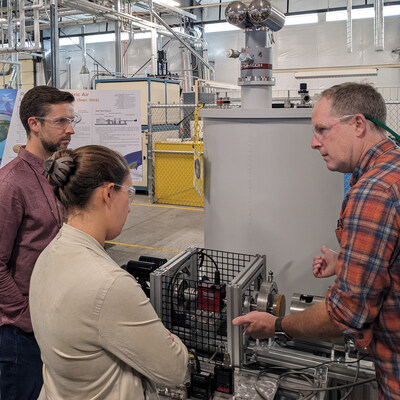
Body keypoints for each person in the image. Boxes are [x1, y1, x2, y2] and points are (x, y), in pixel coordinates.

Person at [232, 82, 400, 399]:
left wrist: (278, 324)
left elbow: (345, 316)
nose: (313, 142)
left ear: (359, 124)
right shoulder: (393, 167)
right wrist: (349, 263)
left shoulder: (372, 192)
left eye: (323, 129)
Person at [29, 145, 188, 400]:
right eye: (130, 193)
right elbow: (175, 369)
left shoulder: (47, 256)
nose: (129, 207)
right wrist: (166, 338)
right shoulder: (110, 284)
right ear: (108, 193)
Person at [0, 85, 78, 400]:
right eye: (61, 121)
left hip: (51, 321)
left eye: (72, 120)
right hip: (20, 335)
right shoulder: (10, 184)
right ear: (35, 124)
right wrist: (26, 316)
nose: (70, 129)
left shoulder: (54, 175)